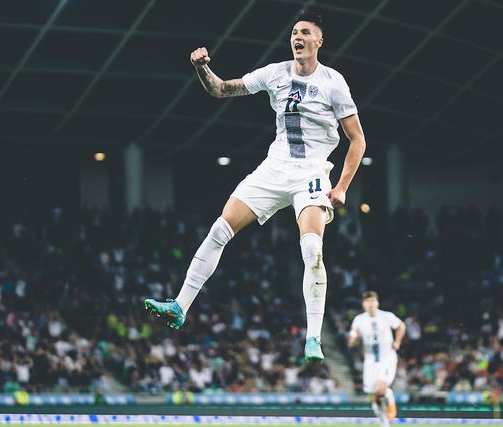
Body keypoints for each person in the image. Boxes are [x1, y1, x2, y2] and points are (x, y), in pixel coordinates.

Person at [144, 10, 366, 362]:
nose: (298, 36)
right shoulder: (274, 72)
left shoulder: (333, 83)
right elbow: (220, 89)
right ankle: (180, 306)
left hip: (311, 173)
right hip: (274, 168)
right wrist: (202, 67)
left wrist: (340, 187)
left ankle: (313, 338)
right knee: (219, 228)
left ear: (319, 42)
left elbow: (358, 141)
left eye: (306, 32)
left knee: (311, 249)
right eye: (294, 31)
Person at [348, 291, 406, 427]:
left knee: (380, 389)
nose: (370, 304)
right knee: (375, 397)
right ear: (363, 304)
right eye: (367, 301)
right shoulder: (359, 320)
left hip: (387, 358)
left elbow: (401, 326)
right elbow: (351, 341)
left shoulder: (386, 316)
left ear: (377, 303)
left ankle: (390, 401)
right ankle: (385, 425)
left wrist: (397, 342)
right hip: (370, 362)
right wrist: (355, 338)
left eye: (373, 301)